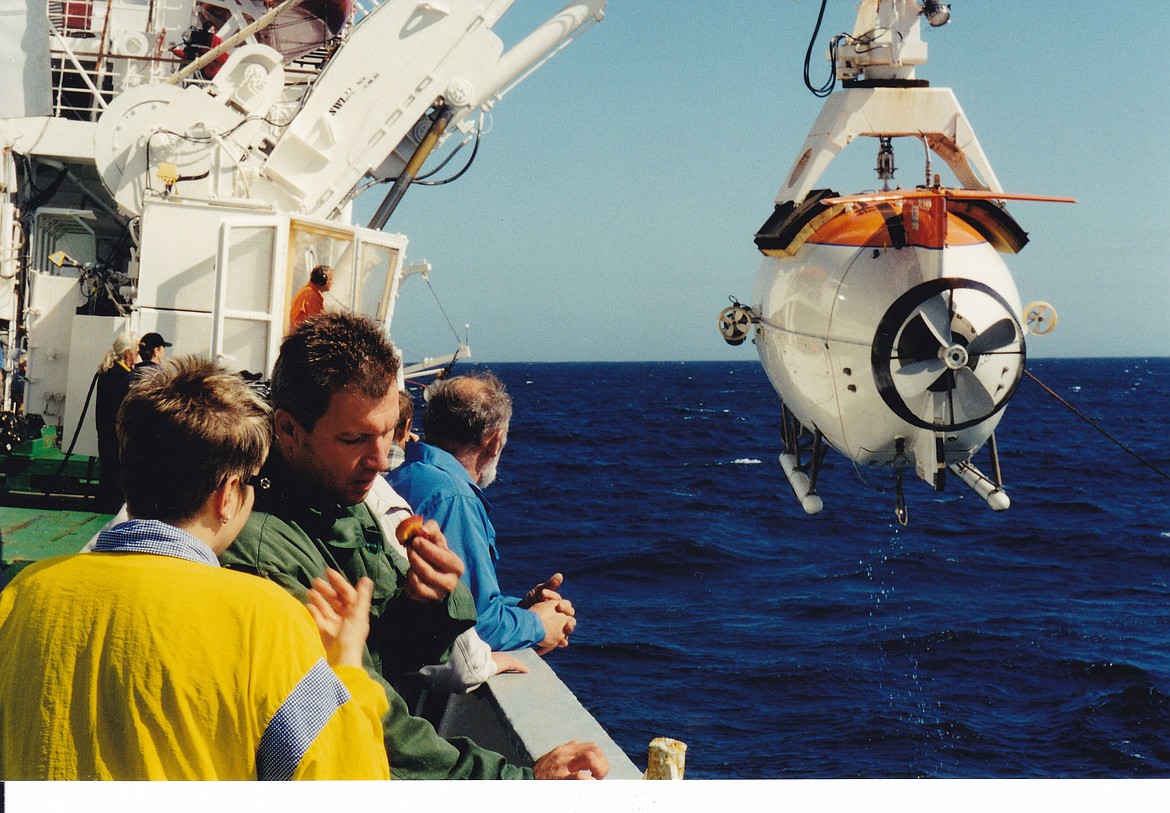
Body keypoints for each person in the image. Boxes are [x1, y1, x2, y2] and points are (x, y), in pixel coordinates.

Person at [219, 312, 606, 780]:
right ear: (288, 430)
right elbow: (365, 719)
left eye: (386, 433)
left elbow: (385, 650)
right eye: (353, 438)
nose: (381, 460)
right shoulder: (263, 554)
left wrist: (426, 601)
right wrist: (519, 783)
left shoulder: (333, 494)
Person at [0, 357, 389, 780]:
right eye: (252, 483)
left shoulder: (23, 594)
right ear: (227, 496)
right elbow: (346, 784)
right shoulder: (266, 621)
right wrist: (348, 664)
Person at [387, 371, 574, 654]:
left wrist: (523, 607)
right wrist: (540, 625)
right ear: (494, 440)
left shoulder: (408, 475)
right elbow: (475, 624)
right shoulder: (454, 498)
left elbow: (459, 601)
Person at [94, 332, 138, 510]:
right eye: (136, 350)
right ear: (128, 353)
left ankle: (105, 502)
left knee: (107, 470)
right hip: (117, 434)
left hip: (105, 431)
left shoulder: (108, 371)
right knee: (116, 471)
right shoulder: (124, 376)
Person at [289, 264, 333, 328]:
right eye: (330, 279)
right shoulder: (312, 297)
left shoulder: (307, 291)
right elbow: (317, 324)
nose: (332, 282)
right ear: (322, 281)